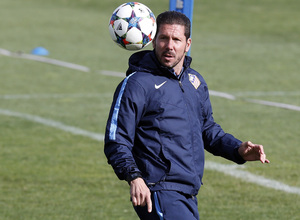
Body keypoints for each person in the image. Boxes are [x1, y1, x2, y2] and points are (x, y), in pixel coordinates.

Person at [104, 11, 270, 220]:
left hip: (188, 192)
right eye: (163, 38)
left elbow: (207, 130)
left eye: (176, 39)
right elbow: (116, 139)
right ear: (154, 41)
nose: (169, 46)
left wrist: (237, 150)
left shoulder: (194, 82)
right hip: (158, 190)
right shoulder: (137, 84)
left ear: (188, 43)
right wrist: (134, 177)